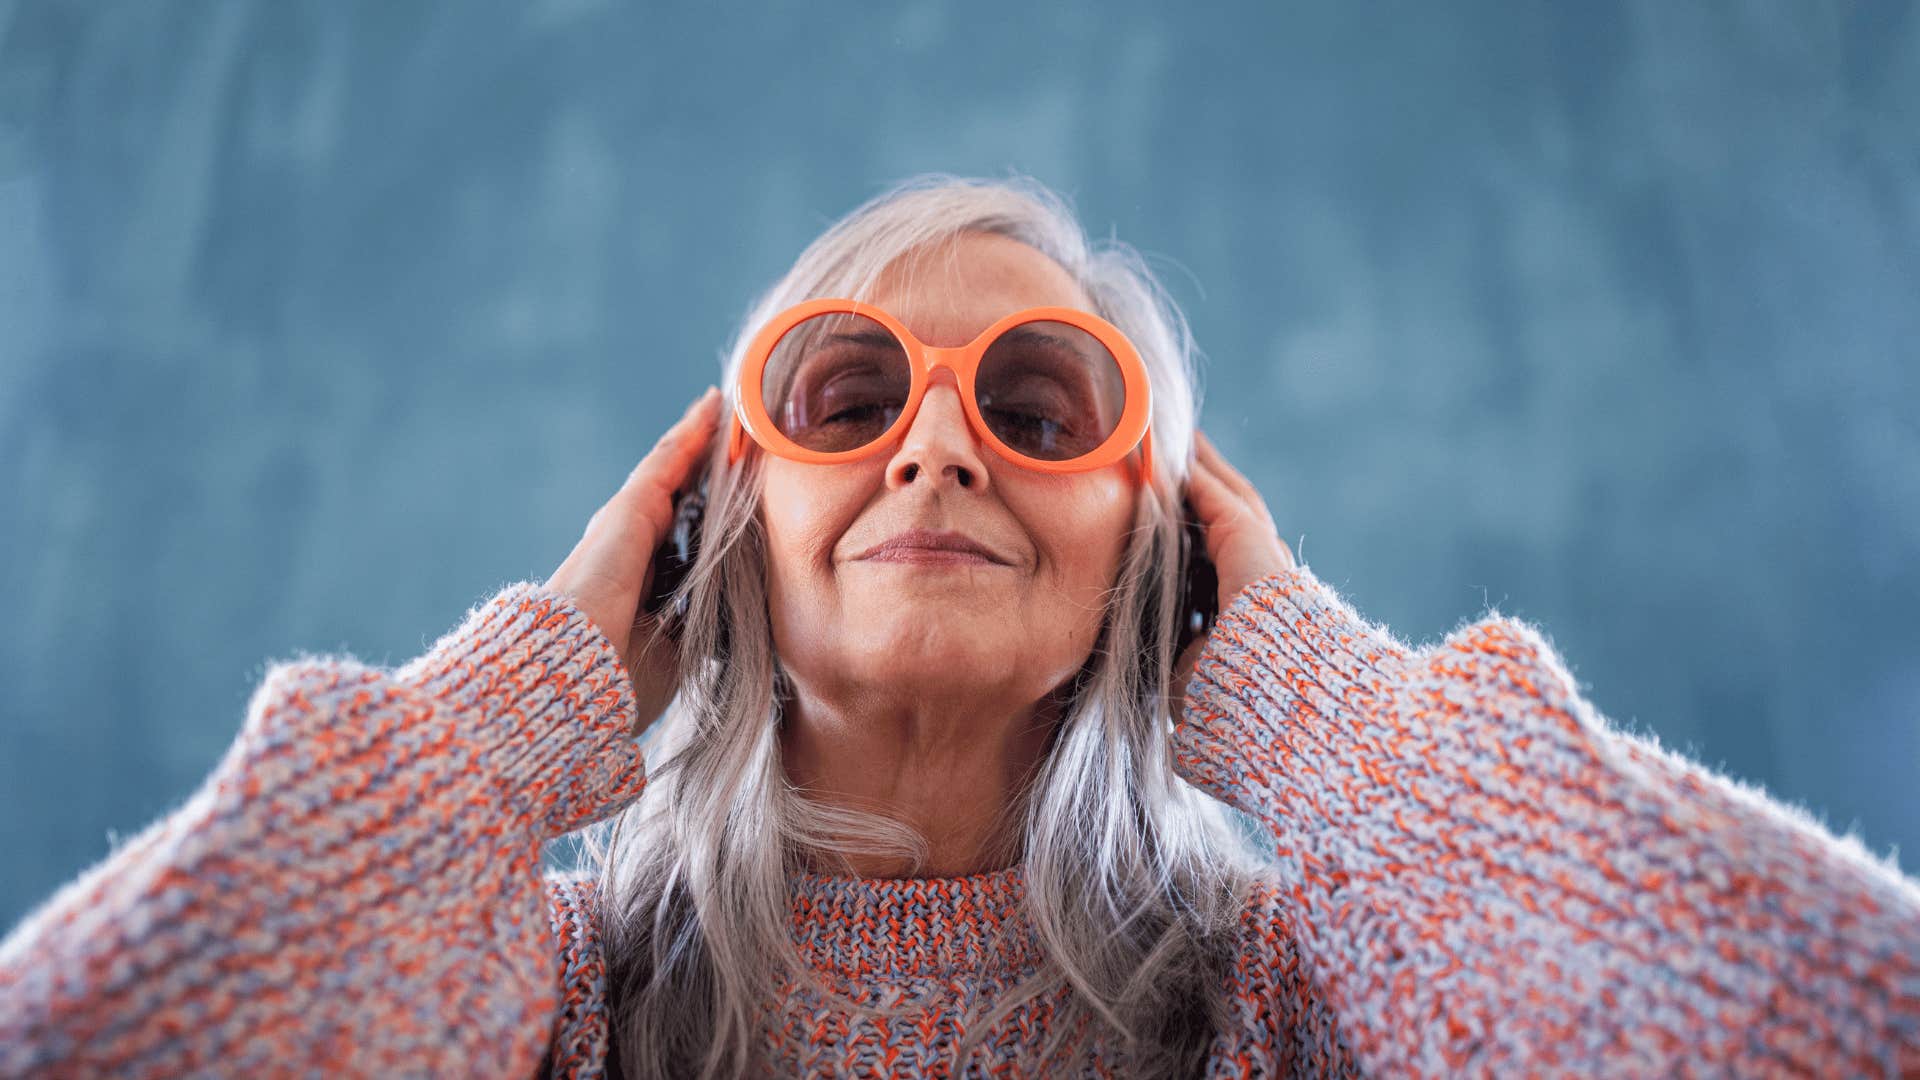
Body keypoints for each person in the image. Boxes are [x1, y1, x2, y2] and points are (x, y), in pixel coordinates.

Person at [2, 174, 1915, 1079]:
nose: (933, 452)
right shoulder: (544, 1002)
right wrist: (526, 710)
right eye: (844, 398)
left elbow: (1840, 1028)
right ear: (721, 532)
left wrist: (1335, 720)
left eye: (1038, 402)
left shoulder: (1297, 1009)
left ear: (1151, 561)